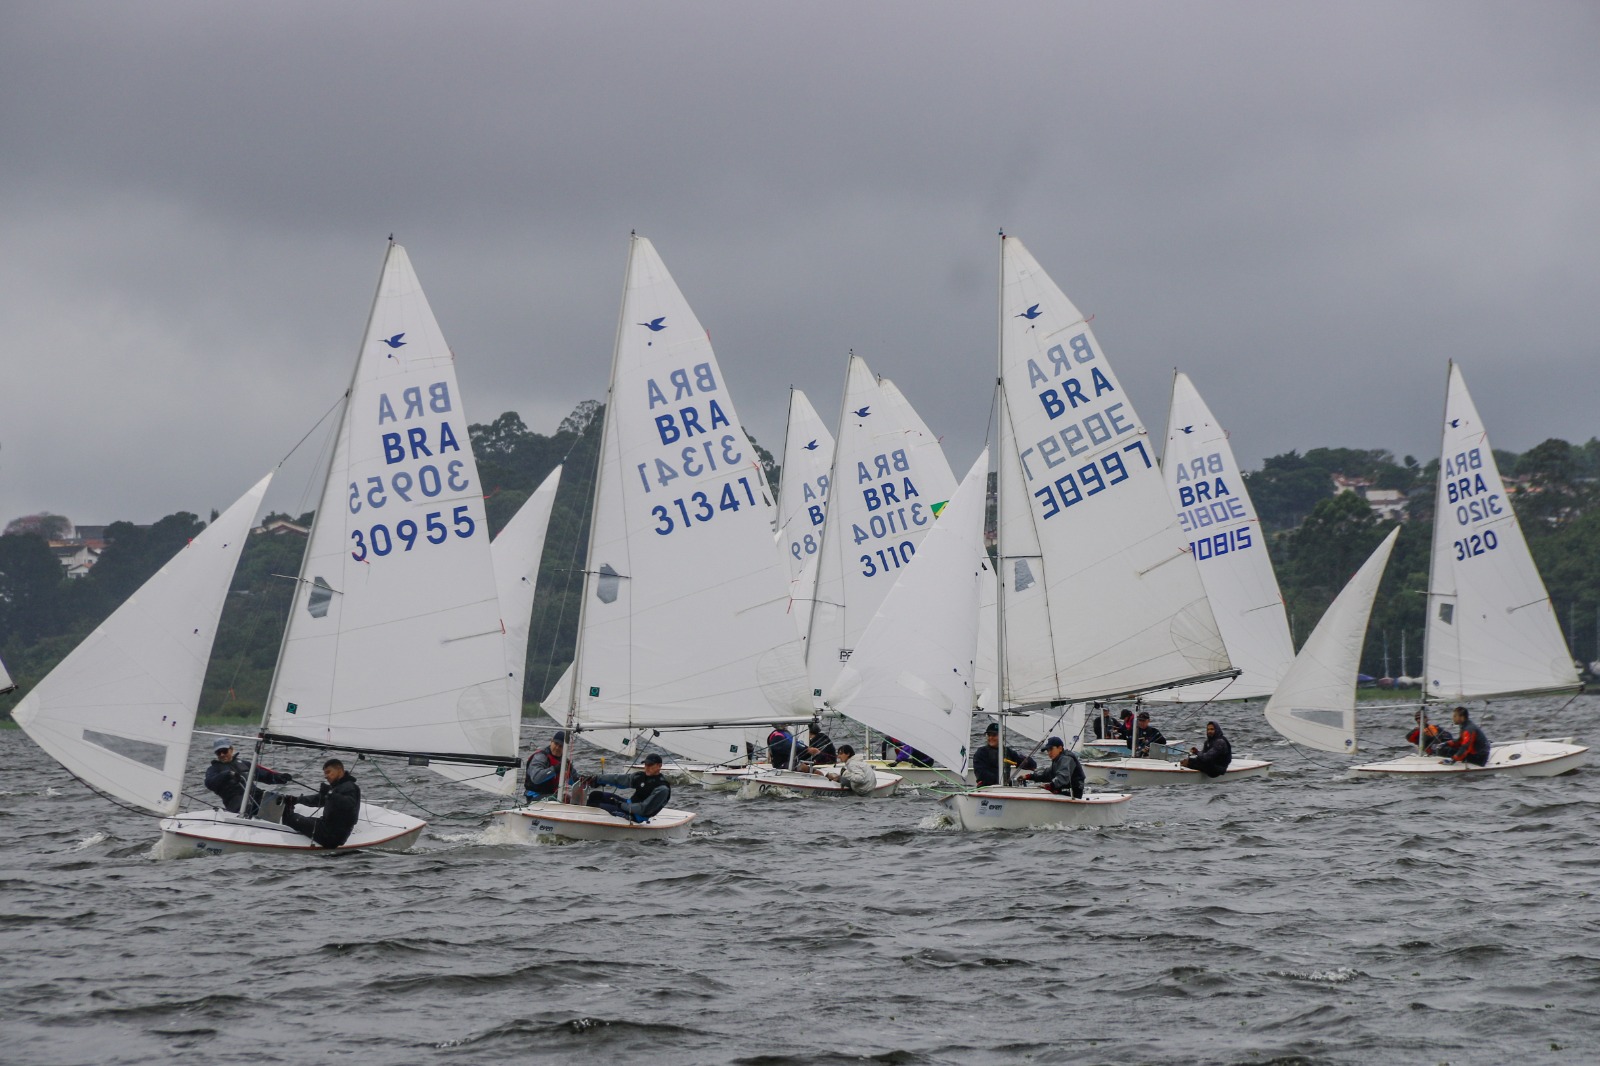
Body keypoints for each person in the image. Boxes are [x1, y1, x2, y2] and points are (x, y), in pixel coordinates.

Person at [203, 737, 292, 817]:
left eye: (224, 751)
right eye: (219, 752)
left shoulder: (245, 764)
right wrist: (227, 774)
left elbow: (264, 775)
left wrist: (280, 777)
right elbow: (209, 783)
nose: (222, 754)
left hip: (255, 795)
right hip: (235, 801)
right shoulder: (213, 769)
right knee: (249, 808)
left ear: (231, 749)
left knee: (281, 802)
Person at [282, 759, 361, 848]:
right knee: (301, 818)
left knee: (290, 818)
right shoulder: (337, 787)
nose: (326, 776)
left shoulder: (350, 787)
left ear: (339, 770)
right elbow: (318, 799)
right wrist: (297, 800)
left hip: (332, 835)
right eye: (325, 773)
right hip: (326, 826)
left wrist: (329, 793)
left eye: (328, 772)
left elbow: (349, 804)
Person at [585, 753, 673, 822]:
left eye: (650, 765)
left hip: (636, 816)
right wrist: (597, 779)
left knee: (594, 806)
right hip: (627, 804)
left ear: (659, 766)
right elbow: (619, 779)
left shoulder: (662, 788)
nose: (647, 768)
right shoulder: (640, 776)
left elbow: (643, 809)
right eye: (646, 765)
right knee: (595, 795)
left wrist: (620, 804)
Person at [1017, 736, 1085, 799]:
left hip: (1074, 793)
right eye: (1048, 750)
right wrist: (1030, 776)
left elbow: (1063, 777)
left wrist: (1050, 786)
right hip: (1063, 790)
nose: (1049, 753)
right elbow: (1047, 774)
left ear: (1060, 748)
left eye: (1051, 749)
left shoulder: (1066, 758)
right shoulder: (1057, 760)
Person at [525, 731, 578, 800]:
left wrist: (590, 781)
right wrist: (555, 769)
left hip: (551, 795)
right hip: (534, 796)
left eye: (561, 746)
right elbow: (536, 778)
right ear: (551, 741)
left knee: (569, 799)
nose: (557, 748)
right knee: (553, 799)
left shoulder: (565, 762)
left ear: (565, 748)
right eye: (556, 743)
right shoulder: (540, 757)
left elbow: (574, 781)